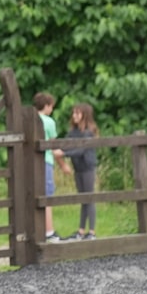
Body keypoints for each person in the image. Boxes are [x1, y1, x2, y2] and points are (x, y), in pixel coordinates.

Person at [60, 102, 99, 241]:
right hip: (78, 169)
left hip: (88, 167)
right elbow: (65, 144)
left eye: (77, 113)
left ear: (84, 115)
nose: (74, 116)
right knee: (83, 199)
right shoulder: (72, 132)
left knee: (89, 198)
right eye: (73, 113)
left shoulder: (89, 132)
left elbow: (81, 150)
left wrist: (64, 154)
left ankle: (92, 232)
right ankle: (81, 231)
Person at [34, 92, 68, 242]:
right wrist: (64, 163)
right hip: (46, 162)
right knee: (47, 197)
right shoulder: (48, 122)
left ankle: (35, 230)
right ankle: (49, 231)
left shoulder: (29, 121)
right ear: (46, 106)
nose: (52, 109)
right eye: (51, 106)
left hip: (30, 164)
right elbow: (53, 148)